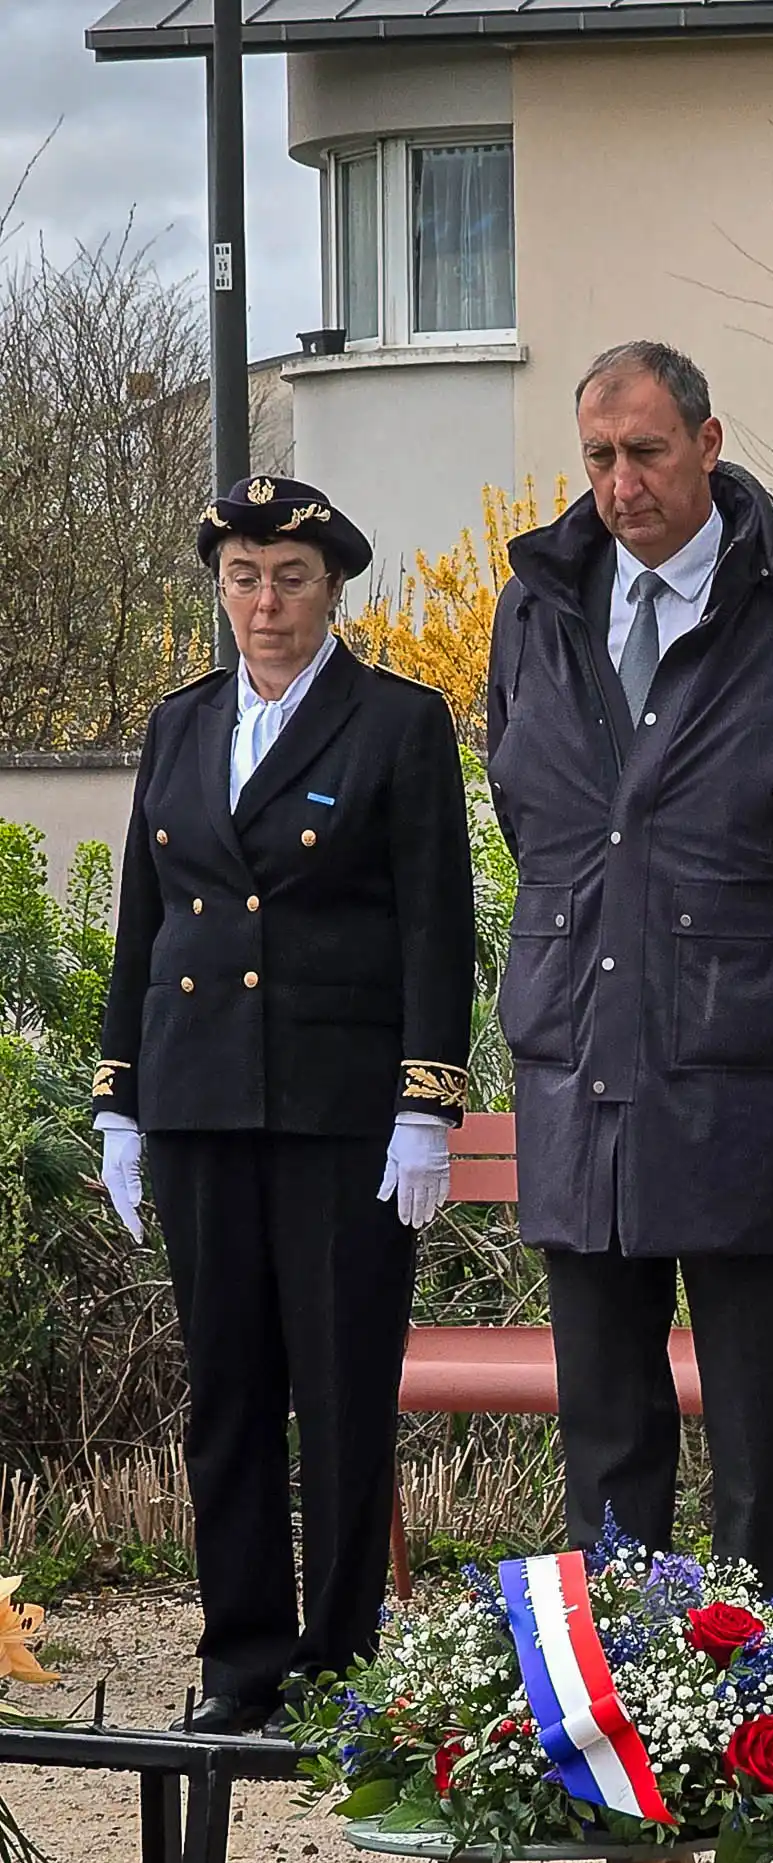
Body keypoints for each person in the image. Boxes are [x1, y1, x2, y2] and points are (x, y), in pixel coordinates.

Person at [484, 341, 773, 1603]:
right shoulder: (536, 605)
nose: (622, 484)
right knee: (603, 1424)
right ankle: (616, 1690)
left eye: (648, 452)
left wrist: (768, 979)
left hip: (746, 1073)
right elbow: (537, 821)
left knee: (758, 1432)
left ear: (709, 445)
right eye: (600, 456)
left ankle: (769, 1704)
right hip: (578, 1060)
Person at [95, 475, 474, 1736]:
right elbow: (142, 922)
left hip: (334, 1104)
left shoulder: (395, 722)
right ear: (222, 584)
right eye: (246, 576)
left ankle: (337, 1657)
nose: (266, 603)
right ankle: (240, 1656)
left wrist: (427, 1100)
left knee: (342, 1386)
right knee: (230, 1389)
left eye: (292, 579)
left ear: (332, 589)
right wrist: (122, 1099)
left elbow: (435, 920)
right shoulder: (182, 724)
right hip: (202, 1091)